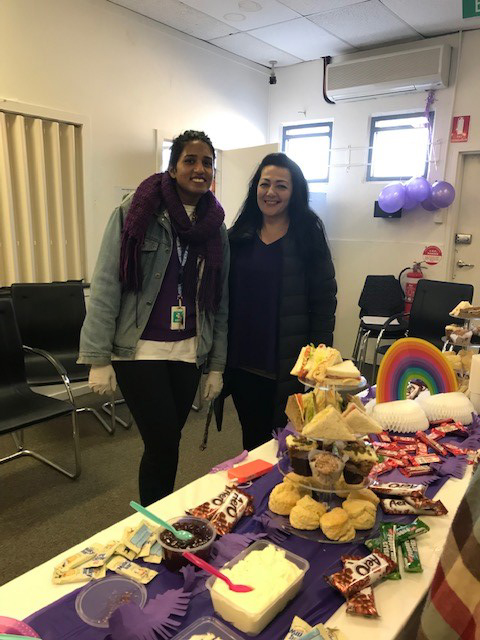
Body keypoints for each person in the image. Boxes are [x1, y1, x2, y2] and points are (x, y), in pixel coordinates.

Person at [78, 130, 229, 506]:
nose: (199, 169)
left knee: (167, 442)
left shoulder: (216, 228)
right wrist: (98, 358)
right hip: (138, 350)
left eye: (207, 162)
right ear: (173, 167)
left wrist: (216, 366)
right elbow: (107, 284)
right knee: (162, 439)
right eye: (190, 161)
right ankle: (153, 518)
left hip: (189, 349)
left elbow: (219, 302)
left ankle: (157, 515)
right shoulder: (136, 212)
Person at [222, 152, 337, 451]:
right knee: (253, 443)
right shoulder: (238, 236)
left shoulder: (308, 236)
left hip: (288, 366)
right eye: (265, 184)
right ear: (255, 188)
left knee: (289, 444)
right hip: (244, 365)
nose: (271, 192)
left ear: (295, 192)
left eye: (281, 186)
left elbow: (324, 304)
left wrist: (317, 363)